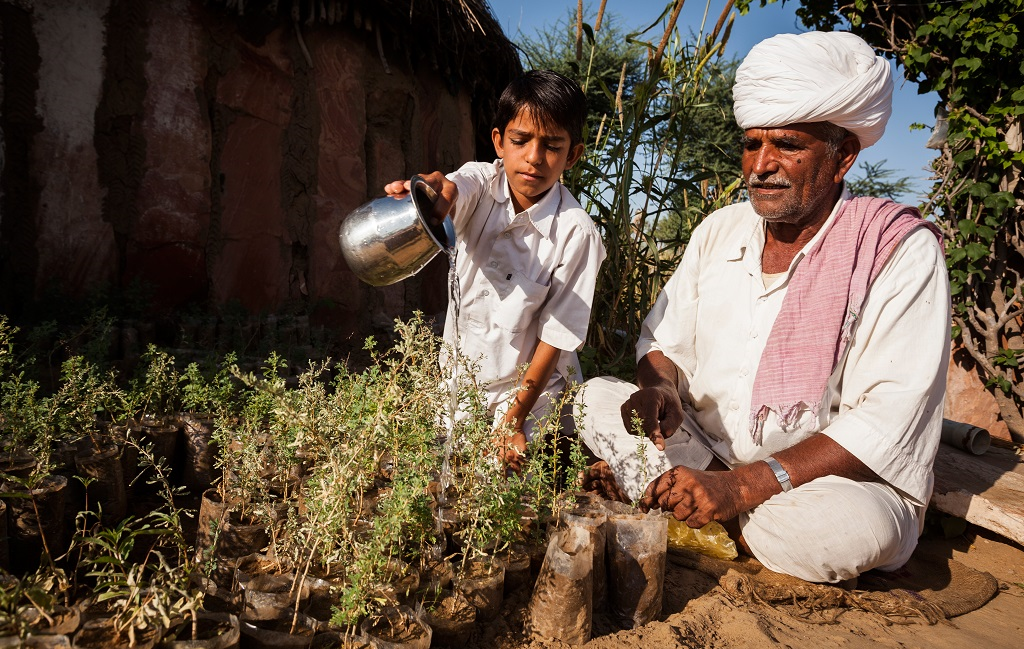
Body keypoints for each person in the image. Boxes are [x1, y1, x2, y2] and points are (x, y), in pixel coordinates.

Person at [575, 31, 950, 584]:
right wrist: (658, 389)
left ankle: (690, 503)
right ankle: (699, 501)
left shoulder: (896, 249)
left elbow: (887, 420)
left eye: (787, 146)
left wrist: (743, 486)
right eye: (752, 144)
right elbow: (664, 343)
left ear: (842, 155)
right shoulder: (720, 231)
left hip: (821, 482)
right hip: (707, 451)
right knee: (592, 398)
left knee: (854, 531)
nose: (761, 165)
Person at [385, 70, 607, 470]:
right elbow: (455, 187)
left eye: (552, 146)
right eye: (520, 141)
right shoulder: (481, 185)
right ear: (498, 142)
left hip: (530, 400)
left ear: (572, 155)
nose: (534, 158)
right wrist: (436, 194)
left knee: (501, 500)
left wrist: (512, 422)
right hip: (459, 390)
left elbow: (554, 341)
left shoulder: (577, 233)